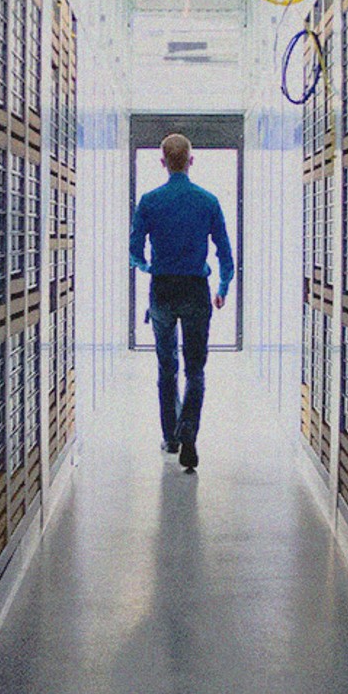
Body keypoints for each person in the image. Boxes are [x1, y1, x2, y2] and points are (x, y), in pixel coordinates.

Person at [129, 133, 234, 471]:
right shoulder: (208, 201)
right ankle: (189, 431)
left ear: (162, 162)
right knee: (195, 368)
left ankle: (171, 437)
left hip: (162, 289)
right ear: (191, 160)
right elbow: (226, 254)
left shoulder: (149, 201)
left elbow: (134, 252)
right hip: (195, 290)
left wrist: (149, 267)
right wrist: (222, 286)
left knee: (166, 366)